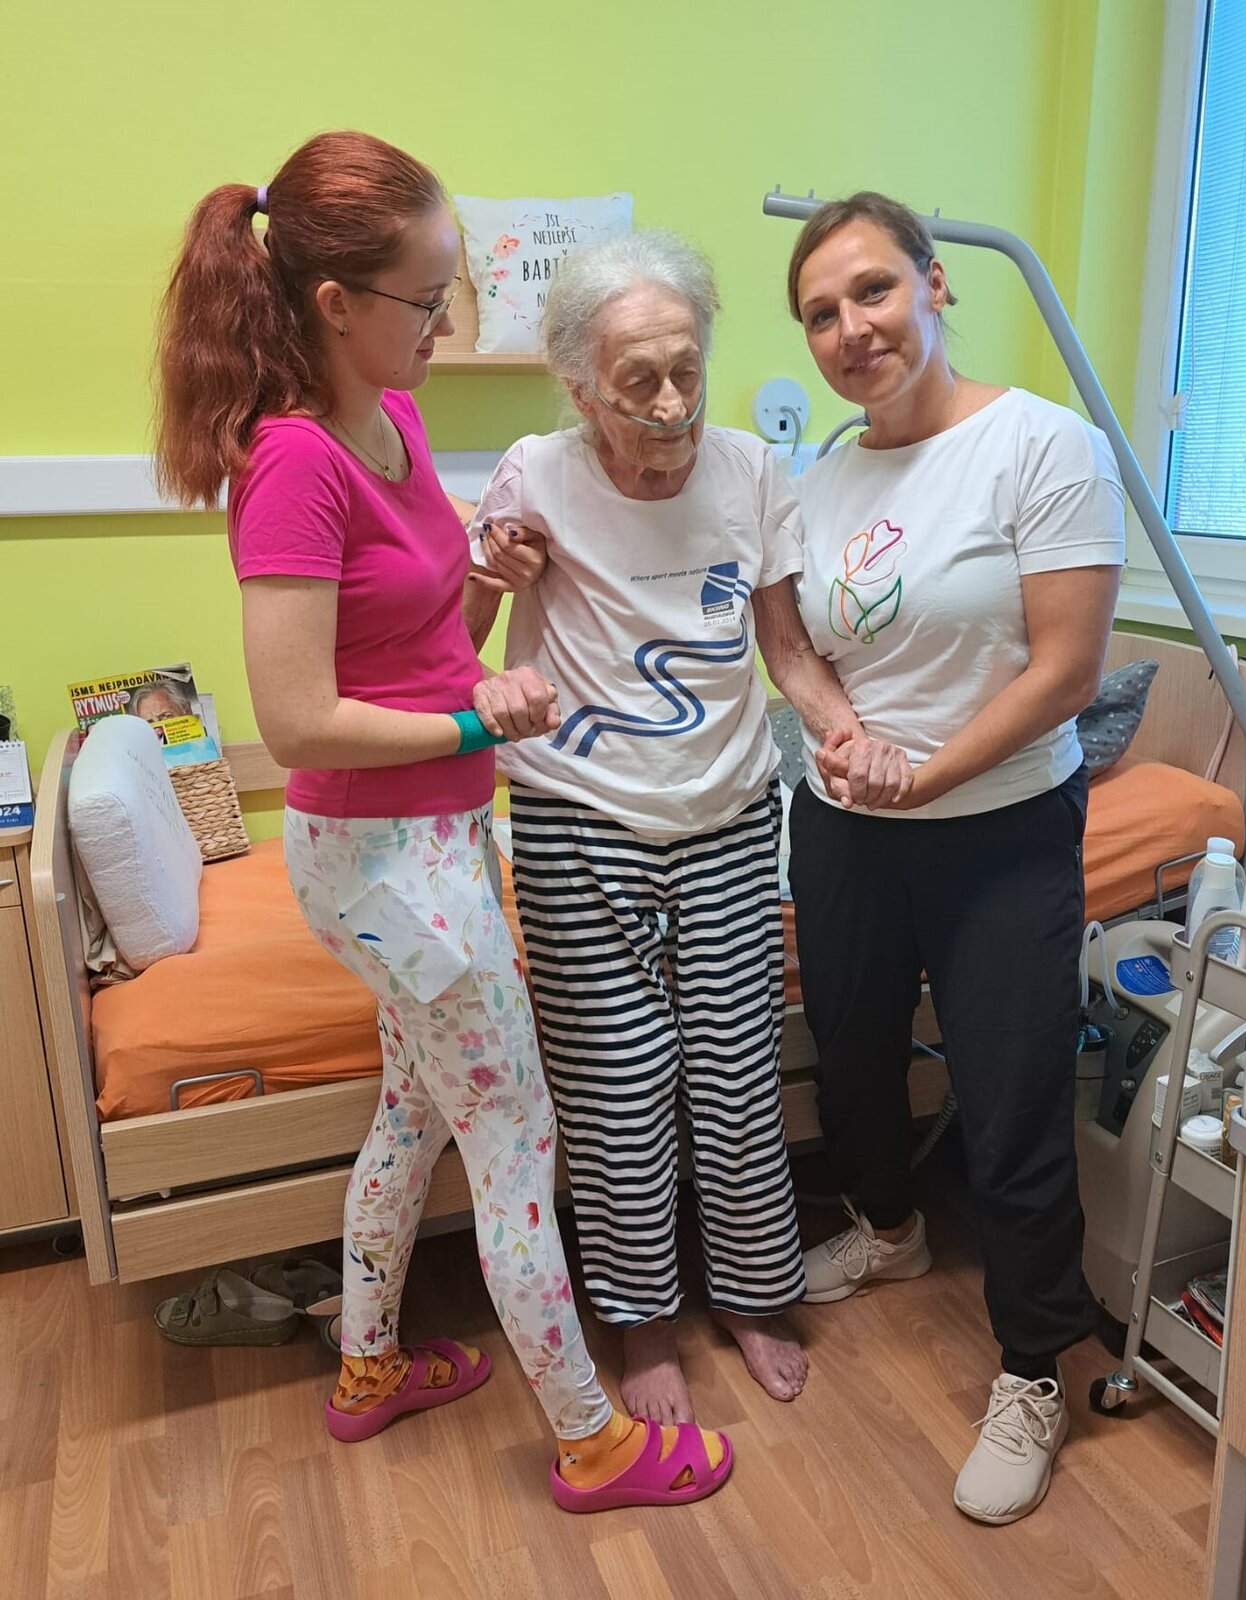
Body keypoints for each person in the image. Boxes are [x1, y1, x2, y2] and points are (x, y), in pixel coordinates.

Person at [154, 129, 732, 1512]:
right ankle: (592, 1441)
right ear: (334, 304)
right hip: (381, 862)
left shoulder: (394, 420)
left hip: (439, 842)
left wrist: (491, 571)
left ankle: (366, 1367)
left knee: (413, 1116)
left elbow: (428, 641)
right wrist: (485, 725)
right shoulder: (291, 464)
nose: (448, 324)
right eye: (427, 299)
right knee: (518, 1151)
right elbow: (299, 722)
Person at [470, 230, 865, 1426]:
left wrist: (845, 734)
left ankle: (752, 1294)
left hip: (731, 814)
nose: (669, 401)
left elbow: (786, 648)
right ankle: (642, 1322)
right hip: (576, 820)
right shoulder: (534, 476)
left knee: (739, 1072)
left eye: (686, 368)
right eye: (635, 379)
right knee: (616, 1087)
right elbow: (456, 647)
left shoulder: (750, 469)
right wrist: (491, 582)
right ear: (579, 386)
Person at [783, 192, 1124, 1524]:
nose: (850, 327)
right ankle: (889, 1227)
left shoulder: (1040, 444)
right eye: (820, 312)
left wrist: (920, 773)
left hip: (999, 832)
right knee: (854, 1053)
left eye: (872, 290)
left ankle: (1034, 1362)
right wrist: (842, 734)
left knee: (1010, 1090)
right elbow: (790, 641)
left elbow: (1066, 671)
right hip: (846, 825)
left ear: (935, 285)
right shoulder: (821, 479)